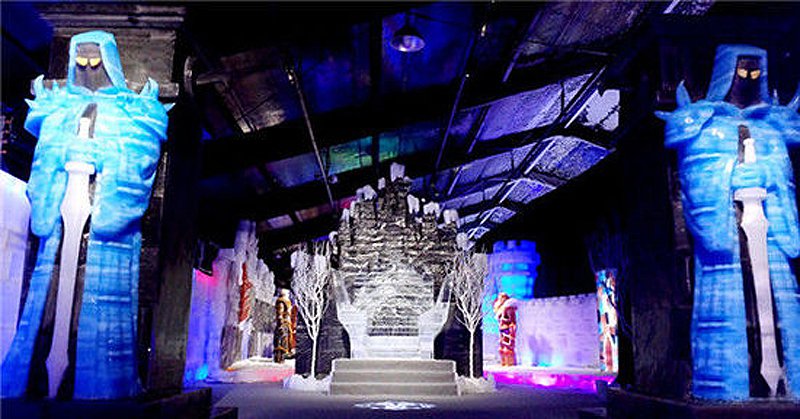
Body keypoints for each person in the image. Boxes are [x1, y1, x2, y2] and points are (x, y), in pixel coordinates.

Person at [1, 31, 169, 399]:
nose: (88, 69)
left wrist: (104, 160)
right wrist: (65, 158)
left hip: (101, 227)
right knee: (49, 302)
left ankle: (96, 383)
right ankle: (35, 379)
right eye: (81, 62)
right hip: (59, 225)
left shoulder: (130, 112)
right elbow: (44, 161)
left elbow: (139, 158)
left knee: (93, 304)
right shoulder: (60, 110)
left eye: (95, 62)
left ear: (109, 62)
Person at [657, 44, 799, 400]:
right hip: (728, 233)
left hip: (769, 233)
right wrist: (731, 176)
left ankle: (789, 382)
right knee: (729, 310)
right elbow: (696, 177)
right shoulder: (705, 128)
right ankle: (727, 385)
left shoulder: (771, 130)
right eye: (742, 72)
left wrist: (766, 176)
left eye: (755, 72)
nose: (748, 79)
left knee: (780, 311)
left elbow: (783, 178)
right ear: (726, 73)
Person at [493, 293, 518, 367]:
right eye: (499, 298)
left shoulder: (508, 308)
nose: (500, 300)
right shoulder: (500, 310)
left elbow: (513, 322)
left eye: (502, 298)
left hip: (507, 330)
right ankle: (504, 362)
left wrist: (512, 331)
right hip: (502, 330)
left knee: (508, 347)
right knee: (502, 347)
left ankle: (510, 363)